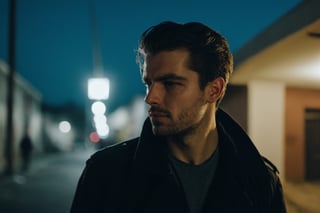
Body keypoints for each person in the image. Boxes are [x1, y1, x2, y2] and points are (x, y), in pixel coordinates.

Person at [70, 21, 286, 213]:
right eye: (149, 83)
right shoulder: (106, 173)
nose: (151, 98)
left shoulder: (260, 181)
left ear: (214, 90)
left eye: (171, 84)